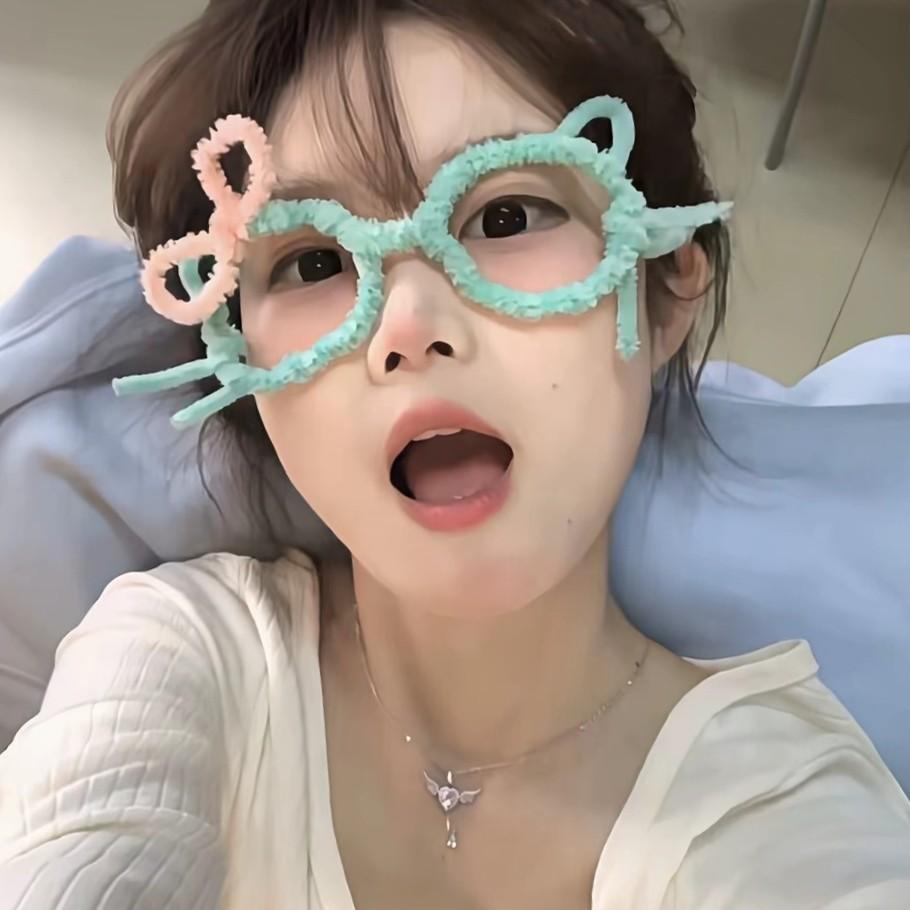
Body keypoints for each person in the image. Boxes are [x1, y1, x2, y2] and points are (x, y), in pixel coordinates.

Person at [1, 1, 908, 908]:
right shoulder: (176, 657)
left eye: (505, 215)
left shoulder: (788, 807)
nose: (407, 325)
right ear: (243, 371)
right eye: (313, 263)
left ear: (667, 288)